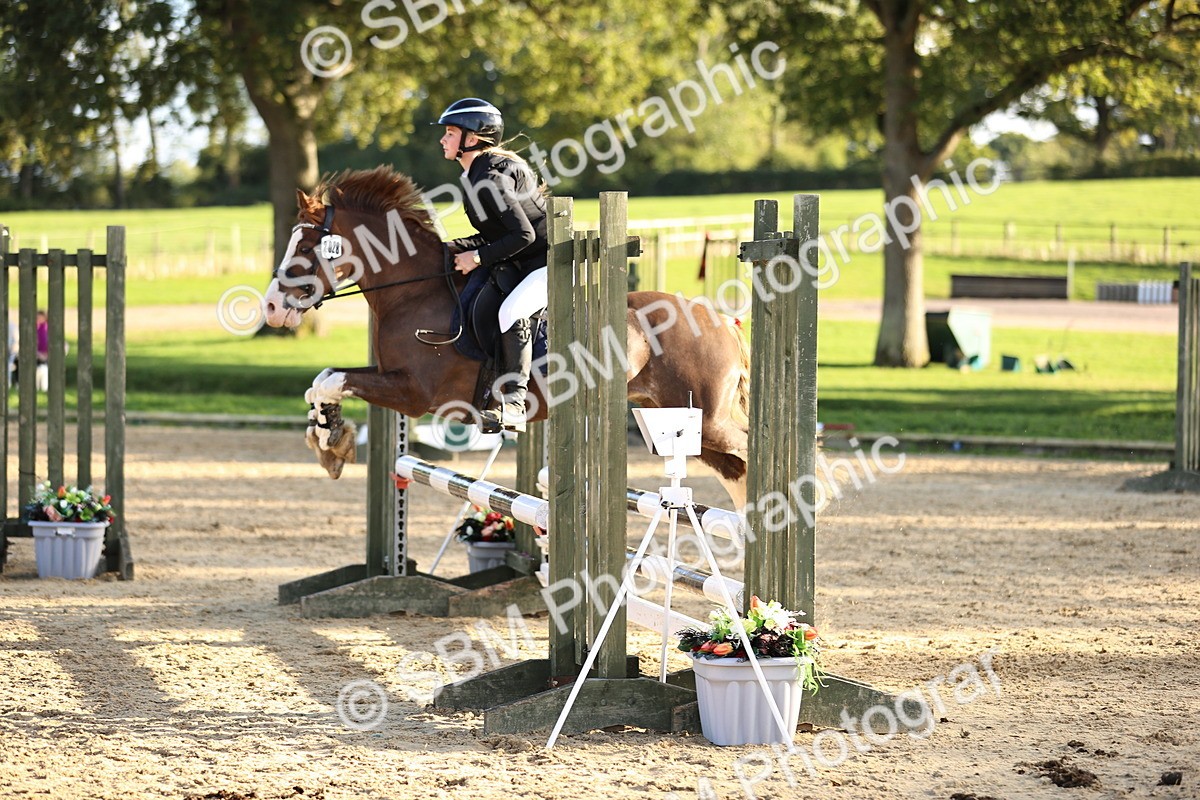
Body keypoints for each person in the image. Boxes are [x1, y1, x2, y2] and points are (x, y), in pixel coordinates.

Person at [436, 98, 548, 433]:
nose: (443, 139)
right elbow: (492, 234)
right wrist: (451, 248)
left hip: (548, 263)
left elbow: (523, 234)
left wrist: (478, 257)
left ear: (472, 139)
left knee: (510, 312)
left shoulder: (493, 177)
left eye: (450, 133)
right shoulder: (476, 174)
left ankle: (515, 401)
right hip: (521, 261)